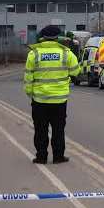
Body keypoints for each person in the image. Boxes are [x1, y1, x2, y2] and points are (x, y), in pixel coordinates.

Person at [23, 25, 81, 164]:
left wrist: (30, 93)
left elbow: (28, 77)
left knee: (40, 130)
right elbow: (75, 71)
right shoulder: (66, 53)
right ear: (57, 38)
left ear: (42, 38)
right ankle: (58, 156)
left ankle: (41, 157)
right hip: (59, 101)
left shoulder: (34, 54)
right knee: (58, 130)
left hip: (39, 100)